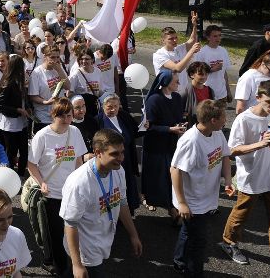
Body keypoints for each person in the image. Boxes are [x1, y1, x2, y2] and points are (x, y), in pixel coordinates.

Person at [219, 80, 270, 277]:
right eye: (269, 102)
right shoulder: (244, 119)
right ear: (258, 98)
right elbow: (231, 150)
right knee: (241, 215)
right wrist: (260, 143)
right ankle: (228, 242)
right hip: (251, 177)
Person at [60, 129, 143, 277]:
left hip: (103, 240)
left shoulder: (118, 170)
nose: (121, 158)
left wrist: (133, 235)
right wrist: (77, 264)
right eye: (114, 154)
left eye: (122, 152)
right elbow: (70, 224)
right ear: (98, 152)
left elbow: (121, 203)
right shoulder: (79, 183)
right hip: (85, 249)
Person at [171, 100, 233, 277]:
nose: (225, 121)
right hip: (193, 201)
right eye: (223, 117)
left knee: (188, 231)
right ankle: (193, 272)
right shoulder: (190, 141)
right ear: (213, 120)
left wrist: (228, 180)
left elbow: (225, 155)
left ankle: (179, 261)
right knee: (199, 241)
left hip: (206, 196)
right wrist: (182, 203)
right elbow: (175, 170)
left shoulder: (217, 133)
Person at [28, 97, 87, 275]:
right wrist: (42, 183)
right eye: (64, 117)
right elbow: (31, 164)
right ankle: (62, 269)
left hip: (72, 193)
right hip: (52, 195)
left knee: (75, 230)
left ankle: (76, 263)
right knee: (56, 235)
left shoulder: (75, 131)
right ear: (54, 115)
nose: (68, 120)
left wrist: (80, 181)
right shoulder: (42, 136)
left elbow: (79, 159)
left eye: (70, 116)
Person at [142, 70, 185, 220]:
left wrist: (180, 125)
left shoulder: (177, 97)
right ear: (166, 83)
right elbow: (149, 127)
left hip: (172, 143)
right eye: (176, 81)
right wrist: (169, 129)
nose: (179, 83)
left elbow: (178, 117)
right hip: (156, 144)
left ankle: (169, 204)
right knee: (155, 175)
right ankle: (150, 198)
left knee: (169, 176)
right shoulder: (154, 100)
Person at [96, 93, 143, 212]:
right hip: (111, 162)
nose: (113, 109)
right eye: (109, 107)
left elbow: (134, 132)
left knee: (127, 184)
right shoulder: (98, 121)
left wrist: (144, 127)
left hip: (127, 159)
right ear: (103, 106)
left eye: (116, 106)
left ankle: (129, 211)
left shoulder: (123, 116)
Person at [0, 55, 30, 176]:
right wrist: (18, 110)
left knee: (24, 150)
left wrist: (28, 108)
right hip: (10, 124)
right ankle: (10, 175)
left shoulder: (20, 80)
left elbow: (24, 99)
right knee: (11, 152)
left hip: (22, 122)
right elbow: (0, 105)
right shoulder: (8, 82)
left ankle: (20, 174)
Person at [235, 50, 270, 123]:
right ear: (263, 64)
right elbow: (240, 105)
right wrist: (240, 124)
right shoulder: (249, 77)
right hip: (255, 121)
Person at [153, 14, 201, 95]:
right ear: (163, 41)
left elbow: (192, 39)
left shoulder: (179, 48)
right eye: (171, 39)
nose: (175, 40)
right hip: (169, 93)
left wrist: (194, 26)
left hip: (183, 92)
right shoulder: (159, 55)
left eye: (176, 37)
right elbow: (177, 68)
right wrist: (191, 51)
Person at [28, 46, 71, 131]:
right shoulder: (37, 73)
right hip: (43, 117)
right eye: (52, 57)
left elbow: (68, 87)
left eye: (57, 57)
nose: (55, 60)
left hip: (59, 114)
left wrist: (59, 70)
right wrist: (46, 102)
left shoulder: (59, 68)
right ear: (45, 57)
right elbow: (33, 96)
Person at [193, 24, 233, 104]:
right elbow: (195, 73)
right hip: (207, 93)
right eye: (215, 36)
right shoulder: (202, 52)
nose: (218, 38)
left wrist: (228, 91)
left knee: (221, 116)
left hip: (222, 94)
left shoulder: (223, 51)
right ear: (208, 37)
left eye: (219, 35)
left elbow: (224, 73)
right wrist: (212, 69)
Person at [69, 49, 103, 118]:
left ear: (92, 60)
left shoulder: (98, 71)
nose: (84, 61)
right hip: (82, 110)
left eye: (87, 59)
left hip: (95, 107)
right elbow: (69, 94)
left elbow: (100, 91)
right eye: (82, 59)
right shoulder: (75, 74)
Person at [182, 61, 215, 127]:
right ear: (192, 74)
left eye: (206, 74)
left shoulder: (210, 90)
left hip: (206, 126)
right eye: (201, 74)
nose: (204, 77)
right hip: (192, 127)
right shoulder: (184, 92)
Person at [71, 95, 99, 162]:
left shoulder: (92, 121)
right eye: (77, 107)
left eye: (83, 106)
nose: (82, 110)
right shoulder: (69, 125)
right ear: (71, 109)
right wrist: (83, 158)